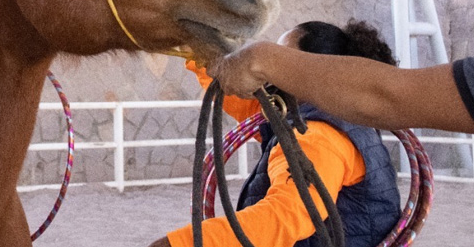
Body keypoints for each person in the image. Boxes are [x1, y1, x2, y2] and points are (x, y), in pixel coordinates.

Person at [157, 21, 401, 247]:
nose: (270, 69)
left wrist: (180, 244)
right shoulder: (334, 115)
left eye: (282, 58)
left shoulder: (317, 136)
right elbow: (249, 105)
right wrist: (199, 53)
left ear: (315, 70)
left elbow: (284, 216)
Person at [211, 33, 474, 135]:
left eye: (292, 59)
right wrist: (201, 57)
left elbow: (385, 98)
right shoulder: (295, 121)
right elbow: (243, 103)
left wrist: (263, 59)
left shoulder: (318, 135)